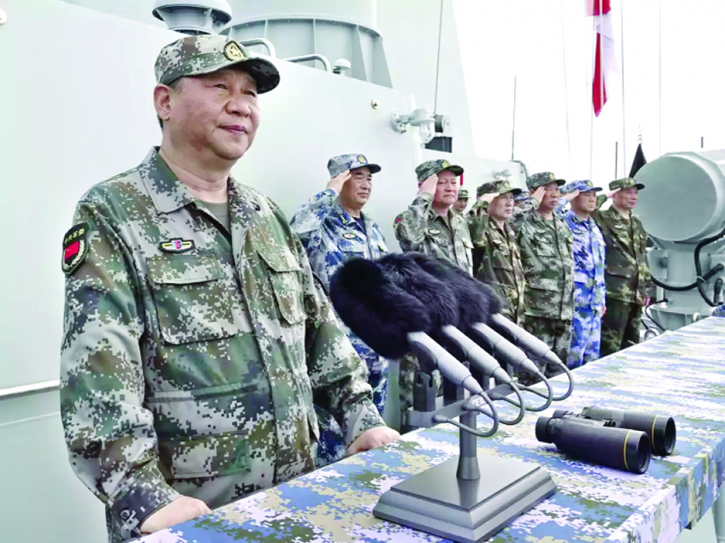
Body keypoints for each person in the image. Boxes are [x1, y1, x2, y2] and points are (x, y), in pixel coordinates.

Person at [59, 35, 398, 543]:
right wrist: (142, 497)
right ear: (165, 102)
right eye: (219, 86)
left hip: (297, 500)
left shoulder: (265, 215)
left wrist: (361, 419)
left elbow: (320, 329)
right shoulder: (114, 211)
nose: (241, 105)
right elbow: (99, 368)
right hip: (193, 516)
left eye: (250, 92)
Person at [290, 154, 390, 465]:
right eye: (357, 176)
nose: (365, 183)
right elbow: (296, 234)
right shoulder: (324, 224)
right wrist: (328, 192)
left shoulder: (373, 228)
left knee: (374, 435)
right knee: (334, 443)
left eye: (369, 178)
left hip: (376, 346)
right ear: (340, 180)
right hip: (339, 351)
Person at [513, 172, 574, 372]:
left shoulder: (561, 224)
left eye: (557, 190)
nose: (555, 194)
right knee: (533, 372)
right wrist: (531, 202)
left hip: (564, 308)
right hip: (537, 310)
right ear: (535, 193)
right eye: (548, 189)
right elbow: (508, 222)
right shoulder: (524, 221)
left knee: (559, 370)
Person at [593, 177, 652, 356]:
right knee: (610, 345)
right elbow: (588, 210)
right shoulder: (604, 219)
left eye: (635, 193)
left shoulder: (637, 223)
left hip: (636, 293)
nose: (633, 196)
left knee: (632, 344)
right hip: (615, 292)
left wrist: (646, 288)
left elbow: (642, 258)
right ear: (615, 195)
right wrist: (606, 195)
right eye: (627, 192)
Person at [394, 159, 473, 275]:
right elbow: (410, 239)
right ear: (423, 187)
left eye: (453, 182)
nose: (450, 188)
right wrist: (424, 195)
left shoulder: (460, 222)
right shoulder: (408, 219)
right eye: (441, 183)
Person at [558, 180, 606, 368]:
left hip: (593, 304)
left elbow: (598, 265)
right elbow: (548, 212)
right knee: (572, 360)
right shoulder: (564, 221)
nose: (592, 199)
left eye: (594, 195)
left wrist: (601, 299)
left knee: (592, 360)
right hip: (575, 303)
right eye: (586, 195)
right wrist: (565, 197)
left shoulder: (594, 227)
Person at [468, 180, 526, 325]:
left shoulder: (509, 231)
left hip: (516, 313)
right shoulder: (481, 230)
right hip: (494, 314)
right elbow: (471, 222)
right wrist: (481, 203)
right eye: (502, 197)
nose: (509, 203)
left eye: (511, 198)